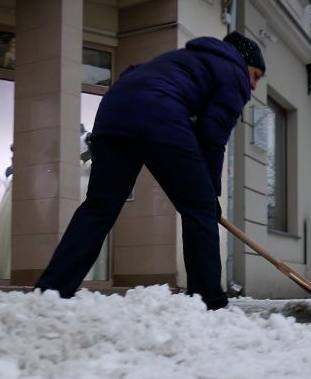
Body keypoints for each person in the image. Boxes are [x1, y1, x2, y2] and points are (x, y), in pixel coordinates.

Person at [35, 32, 266, 310]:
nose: (252, 86)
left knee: (99, 207)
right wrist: (209, 195)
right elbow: (211, 140)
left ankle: (52, 289)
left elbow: (132, 74)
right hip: (159, 114)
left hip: (113, 112)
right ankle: (209, 301)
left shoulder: (183, 58)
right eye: (255, 75)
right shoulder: (233, 72)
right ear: (244, 63)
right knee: (200, 210)